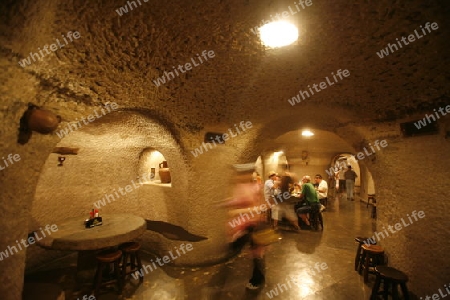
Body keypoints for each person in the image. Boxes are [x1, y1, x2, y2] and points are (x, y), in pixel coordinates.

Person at [225, 163, 268, 290]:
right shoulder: (241, 186)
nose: (237, 177)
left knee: (257, 254)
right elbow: (239, 200)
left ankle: (258, 279)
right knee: (241, 246)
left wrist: (235, 212)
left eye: (240, 174)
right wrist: (227, 203)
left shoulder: (253, 187)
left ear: (247, 175)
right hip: (245, 225)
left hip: (254, 224)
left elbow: (258, 208)